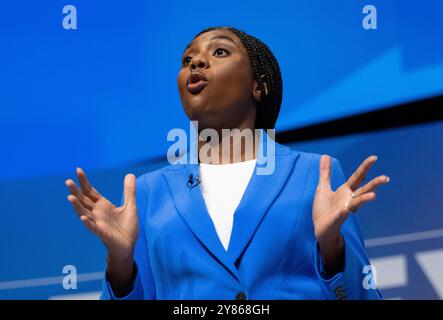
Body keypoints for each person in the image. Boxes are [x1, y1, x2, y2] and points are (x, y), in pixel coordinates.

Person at [65, 26, 389, 300]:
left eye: (219, 52)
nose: (196, 62)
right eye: (187, 59)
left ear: (258, 86)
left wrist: (333, 248)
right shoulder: (148, 193)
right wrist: (120, 263)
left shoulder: (314, 174)